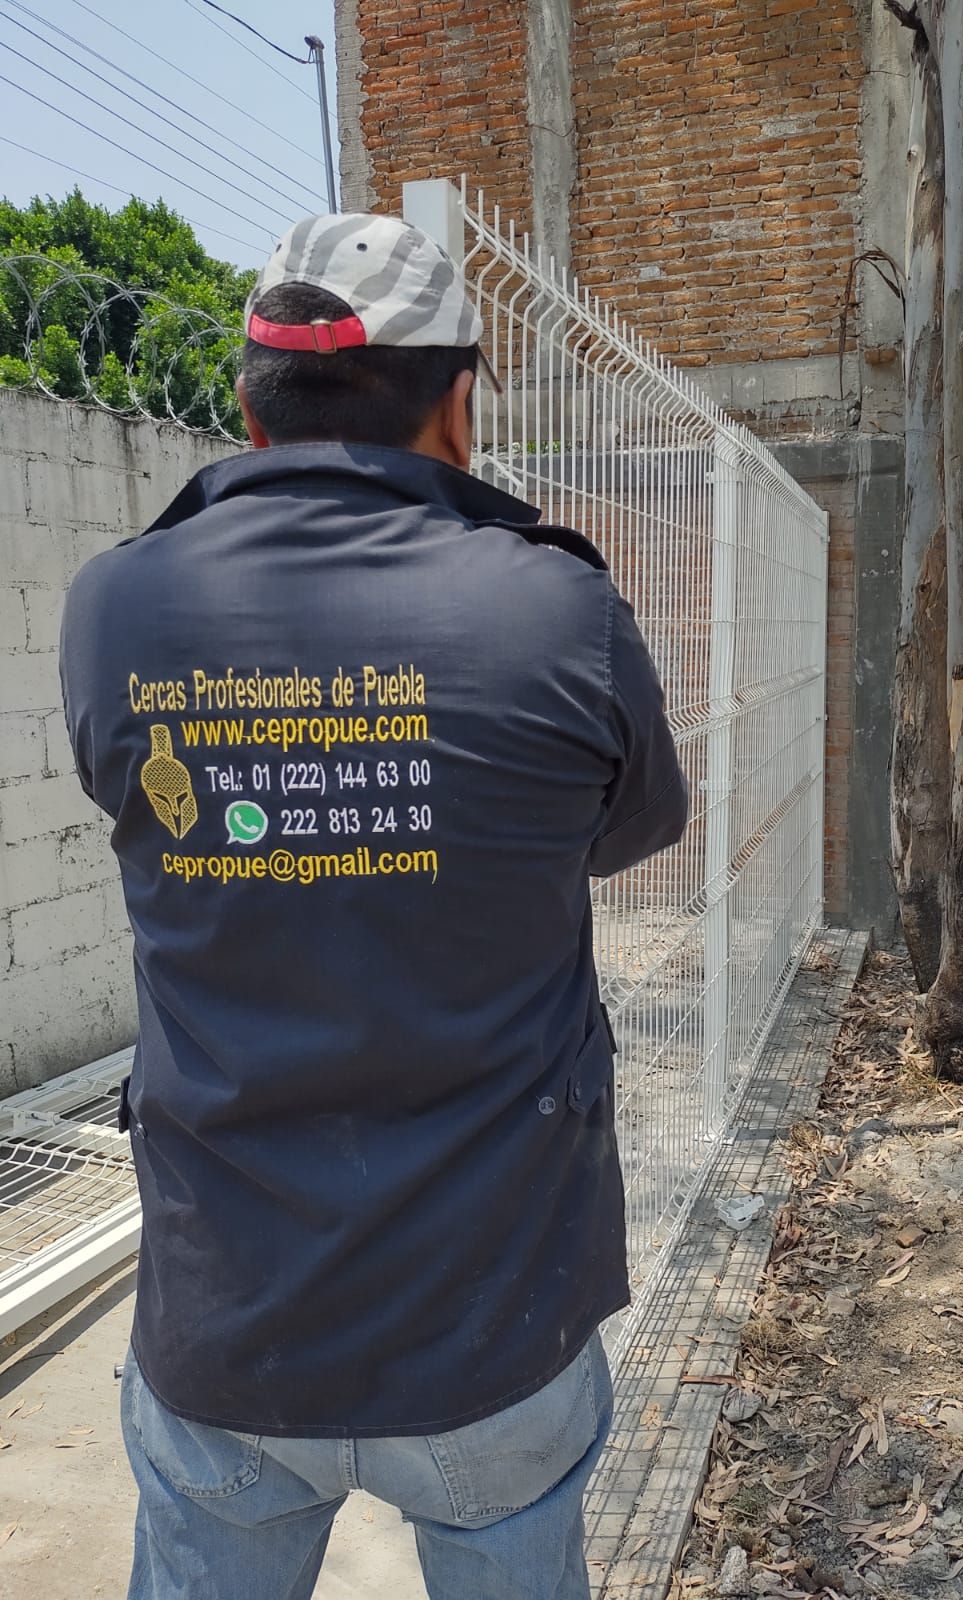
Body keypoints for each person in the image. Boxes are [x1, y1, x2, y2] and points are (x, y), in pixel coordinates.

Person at [59, 212, 688, 1600]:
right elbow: (635, 828)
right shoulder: (559, 611)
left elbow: (138, 805)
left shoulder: (114, 608)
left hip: (228, 1323)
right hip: (494, 1327)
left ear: (250, 409)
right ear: (460, 404)